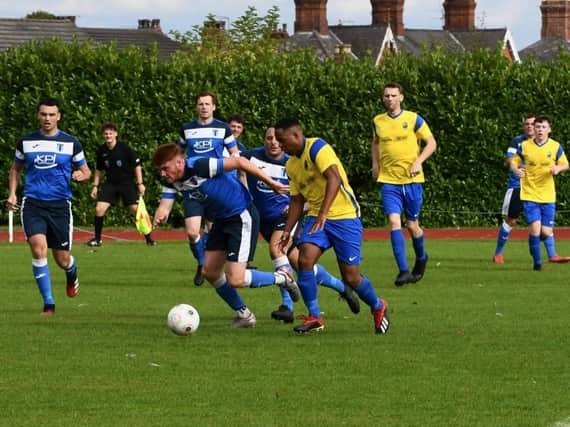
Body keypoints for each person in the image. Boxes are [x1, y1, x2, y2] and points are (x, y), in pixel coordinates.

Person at [151, 143, 301, 328]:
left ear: (180, 163)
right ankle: (245, 316)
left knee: (236, 279)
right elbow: (166, 202)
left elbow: (239, 161)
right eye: (160, 170)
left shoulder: (201, 166)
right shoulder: (171, 180)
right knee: (210, 272)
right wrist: (162, 212)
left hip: (240, 215)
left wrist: (272, 183)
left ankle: (284, 277)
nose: (163, 174)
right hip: (221, 220)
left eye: (165, 168)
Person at [275, 118, 389, 335]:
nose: (280, 145)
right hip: (317, 217)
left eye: (283, 140)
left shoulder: (317, 147)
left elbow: (334, 178)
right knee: (305, 260)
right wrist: (287, 231)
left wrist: (325, 213)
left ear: (297, 135)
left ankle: (377, 306)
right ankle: (315, 316)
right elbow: (297, 201)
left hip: (345, 217)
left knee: (351, 277)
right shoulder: (290, 165)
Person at [241, 127, 360, 323]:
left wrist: (299, 209)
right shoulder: (252, 157)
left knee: (276, 250)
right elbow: (234, 162)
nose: (273, 142)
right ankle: (342, 288)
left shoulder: (292, 162)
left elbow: (308, 196)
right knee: (300, 264)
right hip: (264, 220)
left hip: (286, 219)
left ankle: (287, 305)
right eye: (269, 138)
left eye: (277, 139)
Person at [7, 97, 91, 316]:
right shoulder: (26, 142)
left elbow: (87, 170)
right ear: (38, 115)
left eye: (51, 114)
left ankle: (71, 272)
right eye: (43, 114)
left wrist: (80, 175)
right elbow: (15, 169)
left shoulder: (71, 143)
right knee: (38, 247)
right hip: (33, 203)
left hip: (60, 206)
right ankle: (49, 304)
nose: (47, 118)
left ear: (58, 116)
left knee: (62, 258)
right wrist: (13, 194)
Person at [371, 82, 437, 287]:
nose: (389, 99)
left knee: (412, 226)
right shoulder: (377, 121)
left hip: (412, 181)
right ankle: (403, 271)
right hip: (389, 181)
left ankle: (421, 258)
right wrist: (375, 164)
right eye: (386, 96)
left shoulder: (413, 119)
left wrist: (418, 161)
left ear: (401, 97)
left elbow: (432, 143)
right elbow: (375, 143)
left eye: (393, 95)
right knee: (394, 222)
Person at [178, 91, 241, 286]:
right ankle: (201, 262)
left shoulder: (223, 128)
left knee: (214, 230)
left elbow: (235, 154)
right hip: (193, 187)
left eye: (207, 104)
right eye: (200, 104)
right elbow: (178, 156)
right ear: (196, 107)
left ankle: (214, 266)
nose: (204, 107)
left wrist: (229, 176)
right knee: (192, 232)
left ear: (214, 107)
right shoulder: (186, 129)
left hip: (216, 188)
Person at [494, 114, 569, 264]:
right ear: (525, 126)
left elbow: (562, 163)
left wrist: (556, 168)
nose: (530, 126)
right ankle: (498, 253)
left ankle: (552, 254)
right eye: (527, 124)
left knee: (542, 226)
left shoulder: (551, 145)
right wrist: (518, 168)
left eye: (532, 124)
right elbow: (510, 160)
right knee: (511, 220)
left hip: (540, 191)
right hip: (517, 187)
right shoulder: (518, 142)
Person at [86, 122, 156, 247]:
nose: (108, 136)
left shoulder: (124, 148)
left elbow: (137, 166)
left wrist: (140, 183)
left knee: (136, 210)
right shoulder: (101, 151)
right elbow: (99, 170)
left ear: (116, 134)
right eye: (106, 134)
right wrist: (95, 186)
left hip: (126, 183)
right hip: (110, 183)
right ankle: (97, 239)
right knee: (99, 209)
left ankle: (149, 238)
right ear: (103, 135)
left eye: (111, 133)